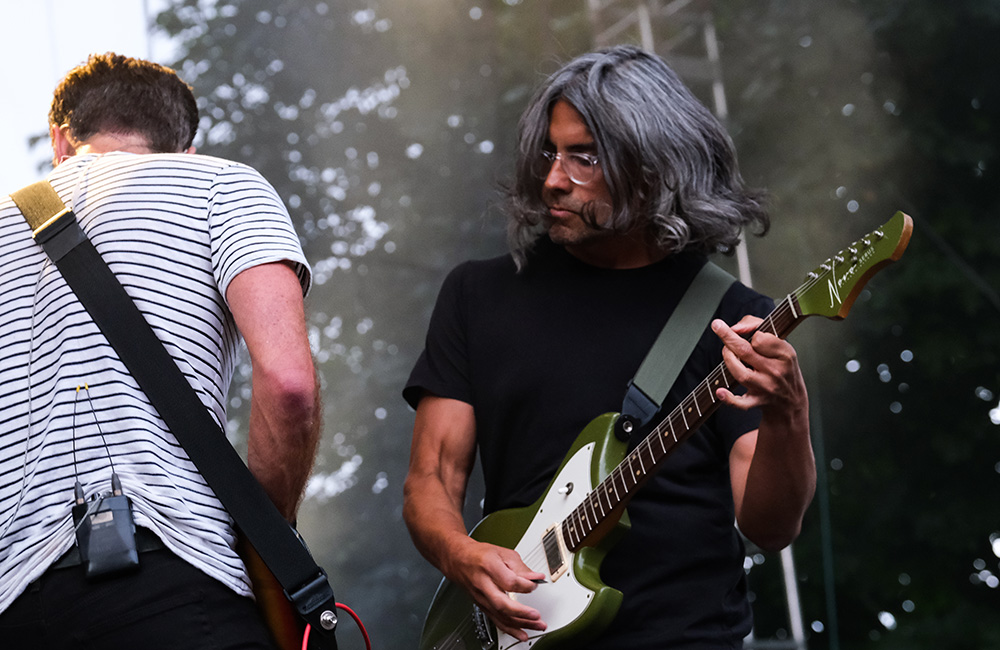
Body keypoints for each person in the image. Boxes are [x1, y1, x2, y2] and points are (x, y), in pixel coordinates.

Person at [402, 45, 815, 649]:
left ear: (651, 168)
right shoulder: (478, 295)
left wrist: (789, 413)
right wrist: (459, 554)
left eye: (584, 158)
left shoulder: (734, 319)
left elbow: (771, 527)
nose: (552, 179)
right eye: (550, 153)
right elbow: (431, 478)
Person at [0, 53, 319, 649]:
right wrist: (261, 538)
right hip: (173, 579)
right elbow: (290, 385)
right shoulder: (220, 185)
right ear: (185, 150)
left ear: (60, 142)